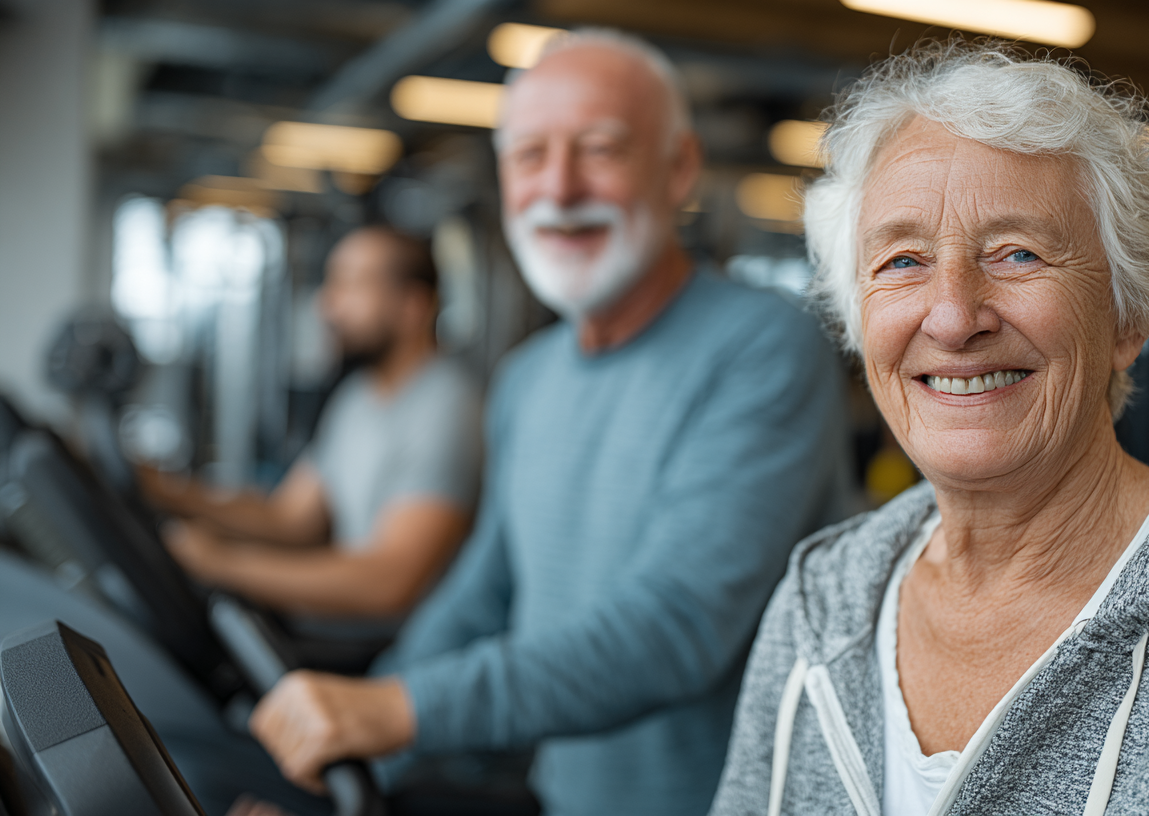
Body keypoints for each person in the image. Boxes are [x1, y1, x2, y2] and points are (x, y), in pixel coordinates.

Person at [710, 42, 1149, 816]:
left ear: (1128, 317)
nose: (952, 317)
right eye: (903, 261)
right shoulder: (820, 601)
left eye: (1018, 254)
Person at [244, 29, 851, 816]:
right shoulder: (527, 379)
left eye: (599, 149)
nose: (559, 189)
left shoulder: (763, 347)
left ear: (679, 168)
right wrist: (342, 762)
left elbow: (678, 627)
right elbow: (479, 599)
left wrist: (399, 710)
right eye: (530, 156)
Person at [141, 225, 483, 621]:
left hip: (395, 643)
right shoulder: (357, 398)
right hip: (346, 627)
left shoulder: (447, 405)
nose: (326, 304)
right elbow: (289, 518)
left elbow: (391, 581)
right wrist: (168, 492)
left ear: (413, 307)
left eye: (351, 285)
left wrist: (222, 563)